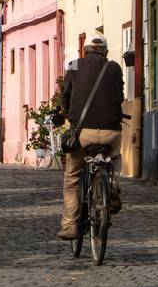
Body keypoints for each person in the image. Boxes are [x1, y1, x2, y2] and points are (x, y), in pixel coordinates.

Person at [54, 34, 125, 240]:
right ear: (105, 51)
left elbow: (65, 95)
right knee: (115, 158)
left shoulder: (74, 65)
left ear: (85, 50)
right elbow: (119, 97)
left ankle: (70, 225)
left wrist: (68, 112)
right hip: (111, 131)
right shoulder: (113, 67)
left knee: (73, 177)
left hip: (83, 132)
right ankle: (111, 186)